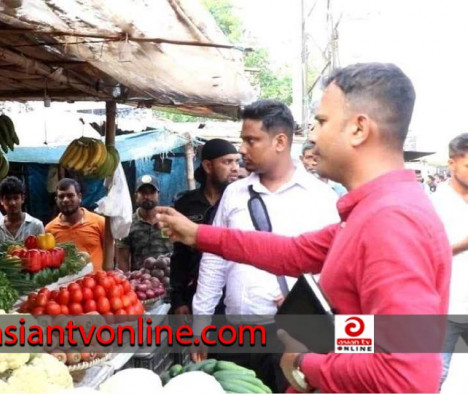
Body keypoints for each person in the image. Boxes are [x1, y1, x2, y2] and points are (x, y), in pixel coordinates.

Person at [155, 63, 451, 393]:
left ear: (358, 129)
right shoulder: (372, 211)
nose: (311, 135)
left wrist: (303, 362)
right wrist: (198, 234)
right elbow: (293, 252)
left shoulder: (392, 220)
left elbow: (408, 374)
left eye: (322, 122)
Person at [192, 100, 339, 392]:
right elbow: (214, 261)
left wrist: (308, 296)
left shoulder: (321, 198)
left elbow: (336, 265)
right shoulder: (234, 194)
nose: (242, 149)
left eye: (251, 140)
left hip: (292, 338)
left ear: (280, 141)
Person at [169, 138, 239, 316]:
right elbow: (179, 256)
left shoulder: (240, 204)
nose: (235, 168)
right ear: (208, 166)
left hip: (231, 298)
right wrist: (178, 300)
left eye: (237, 161)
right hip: (195, 295)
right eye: (227, 162)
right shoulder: (186, 204)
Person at [432, 133, 468, 387]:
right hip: (447, 307)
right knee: (435, 374)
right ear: (451, 164)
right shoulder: (435, 203)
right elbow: (428, 254)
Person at [46, 178, 105, 271]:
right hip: (66, 284)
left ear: (80, 197)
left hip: (97, 283)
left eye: (70, 195)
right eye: (61, 196)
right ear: (56, 200)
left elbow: (110, 253)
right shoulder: (50, 230)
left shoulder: (99, 222)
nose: (65, 200)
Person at [116, 175, 172, 272]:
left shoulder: (169, 220)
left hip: (169, 280)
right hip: (141, 282)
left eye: (152, 192)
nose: (147, 196)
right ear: (135, 196)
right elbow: (123, 260)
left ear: (159, 195)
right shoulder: (127, 223)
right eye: (143, 193)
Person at [0, 176, 44, 243]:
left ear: (23, 198)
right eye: (8, 198)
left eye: (16, 198)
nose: (12, 203)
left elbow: (43, 252)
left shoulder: (36, 226)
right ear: (1, 200)